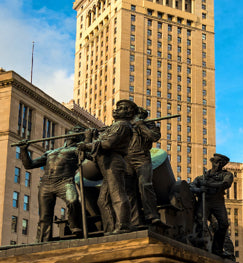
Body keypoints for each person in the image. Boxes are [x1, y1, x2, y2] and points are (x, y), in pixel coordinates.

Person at [91, 99, 162, 232]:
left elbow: (154, 137)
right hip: (126, 158)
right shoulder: (123, 126)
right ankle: (134, 221)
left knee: (145, 184)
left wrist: (141, 125)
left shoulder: (147, 124)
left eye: (139, 115)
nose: (136, 117)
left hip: (142, 158)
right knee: (127, 190)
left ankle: (152, 215)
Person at [18, 127, 87, 242]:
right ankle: (42, 240)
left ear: (80, 137)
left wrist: (88, 138)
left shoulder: (78, 150)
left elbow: (92, 153)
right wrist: (24, 150)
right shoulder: (51, 152)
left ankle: (75, 226)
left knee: (73, 201)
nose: (74, 131)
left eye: (77, 131)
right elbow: (29, 165)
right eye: (73, 130)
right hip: (46, 184)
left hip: (64, 182)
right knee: (45, 216)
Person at [191, 152, 234, 256]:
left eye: (221, 163)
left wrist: (209, 184)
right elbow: (191, 187)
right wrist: (200, 189)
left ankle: (217, 249)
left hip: (218, 202)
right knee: (200, 222)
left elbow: (225, 184)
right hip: (204, 201)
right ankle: (199, 244)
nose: (218, 165)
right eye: (216, 162)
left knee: (223, 224)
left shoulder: (226, 175)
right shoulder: (202, 178)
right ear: (212, 162)